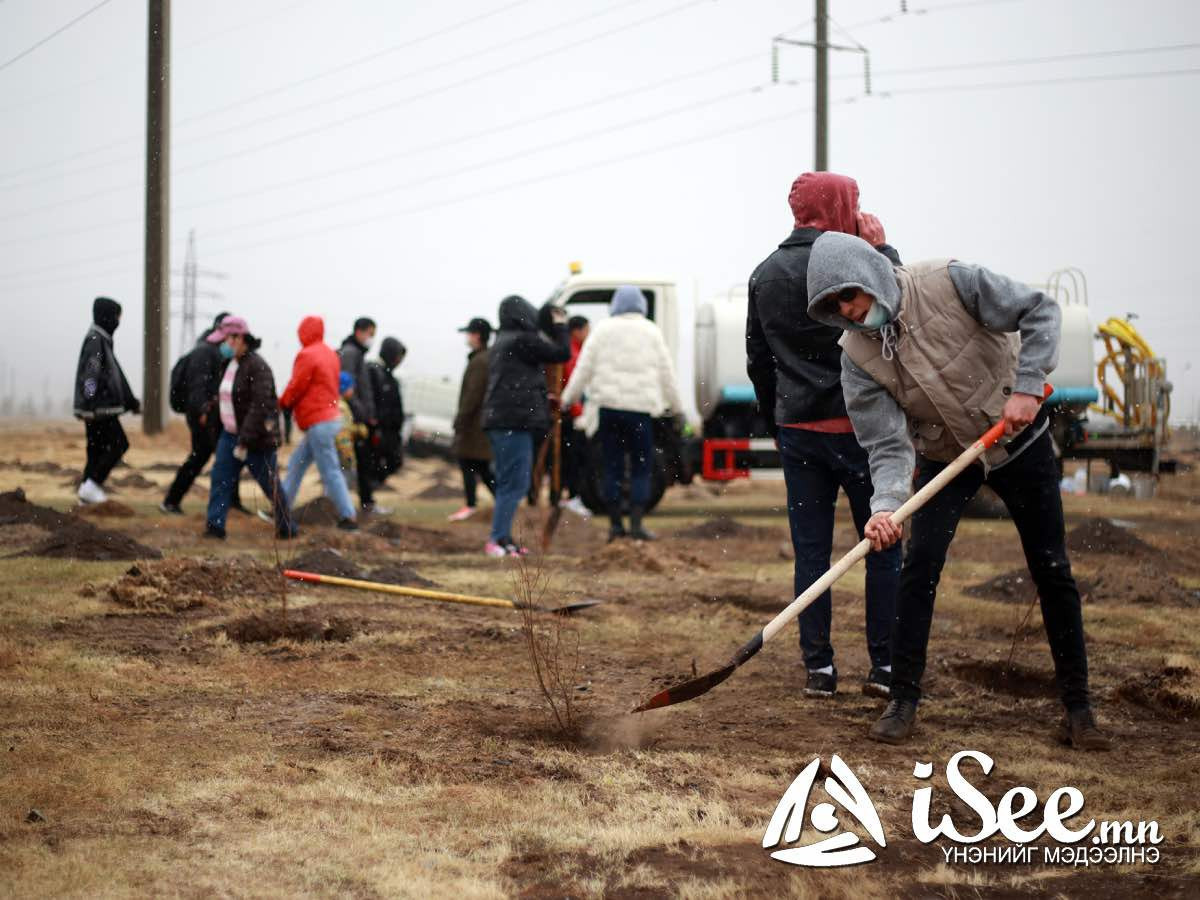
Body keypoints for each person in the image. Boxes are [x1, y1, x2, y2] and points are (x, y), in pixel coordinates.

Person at [805, 230, 1109, 751]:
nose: (849, 314)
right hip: (947, 456)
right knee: (917, 567)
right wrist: (886, 507)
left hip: (1020, 439)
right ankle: (903, 697)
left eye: (849, 299)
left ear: (869, 276)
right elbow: (885, 444)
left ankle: (1078, 707)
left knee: (1051, 568)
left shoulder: (950, 282)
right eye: (835, 309)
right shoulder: (857, 357)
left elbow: (1039, 312)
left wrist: (1029, 386)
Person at [745, 172, 903, 701]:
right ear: (841, 206)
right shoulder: (856, 263)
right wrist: (881, 247)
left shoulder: (765, 274)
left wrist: (778, 419)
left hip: (799, 429)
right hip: (863, 429)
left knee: (810, 552)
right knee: (882, 542)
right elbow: (901, 310)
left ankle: (820, 669)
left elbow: (758, 360)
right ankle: (884, 666)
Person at [561, 285, 681, 542]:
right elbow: (667, 374)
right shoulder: (651, 332)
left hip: (610, 410)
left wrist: (566, 399)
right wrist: (678, 409)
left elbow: (583, 369)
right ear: (641, 306)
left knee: (611, 467)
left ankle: (615, 526)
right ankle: (636, 524)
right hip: (640, 412)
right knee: (640, 468)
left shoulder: (602, 330)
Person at [481, 296, 570, 557]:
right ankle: (497, 540)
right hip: (513, 422)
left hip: (501, 420)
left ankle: (503, 538)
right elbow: (560, 354)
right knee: (515, 483)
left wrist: (543, 399)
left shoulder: (504, 341)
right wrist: (561, 325)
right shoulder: (521, 340)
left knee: (509, 482)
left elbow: (516, 382)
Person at [204, 319, 294, 540]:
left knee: (269, 484)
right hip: (229, 434)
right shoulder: (229, 364)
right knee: (220, 479)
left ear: (240, 339)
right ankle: (215, 527)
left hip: (256, 439)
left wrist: (245, 439)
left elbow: (261, 405)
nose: (223, 345)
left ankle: (287, 527)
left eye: (226, 340)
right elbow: (227, 397)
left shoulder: (258, 366)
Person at [279, 315, 358, 531]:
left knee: (330, 470)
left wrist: (282, 403)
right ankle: (281, 511)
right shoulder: (330, 354)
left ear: (303, 332)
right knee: (297, 463)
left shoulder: (307, 355)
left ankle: (347, 516)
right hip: (329, 418)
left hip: (318, 420)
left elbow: (297, 386)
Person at [162, 312, 246, 515]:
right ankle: (172, 501)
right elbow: (198, 386)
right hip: (202, 415)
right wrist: (203, 410)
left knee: (220, 456)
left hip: (212, 414)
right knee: (206, 456)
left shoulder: (218, 353)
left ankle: (229, 502)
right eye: (232, 336)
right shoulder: (204, 352)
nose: (235, 341)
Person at [73, 296, 140, 504]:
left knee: (96, 451)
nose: (118, 322)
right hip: (99, 409)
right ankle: (91, 486)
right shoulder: (96, 340)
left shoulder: (102, 340)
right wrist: (89, 405)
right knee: (119, 444)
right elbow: (90, 374)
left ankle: (85, 497)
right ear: (108, 317)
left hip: (99, 408)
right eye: (117, 317)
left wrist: (131, 402)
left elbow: (116, 376)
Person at [449, 318, 495, 522]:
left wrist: (461, 419)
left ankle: (471, 504)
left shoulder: (480, 361)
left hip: (474, 424)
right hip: (481, 423)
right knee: (482, 467)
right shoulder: (485, 358)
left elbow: (472, 395)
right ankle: (498, 501)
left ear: (477, 335)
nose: (467, 337)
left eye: (469, 333)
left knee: (469, 462)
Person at [339, 317, 379, 513]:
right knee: (349, 461)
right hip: (352, 418)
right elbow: (347, 388)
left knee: (361, 461)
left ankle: (362, 503)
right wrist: (362, 413)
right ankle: (344, 506)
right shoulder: (350, 353)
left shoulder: (357, 353)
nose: (371, 339)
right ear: (360, 331)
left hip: (358, 415)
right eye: (370, 334)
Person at [365, 337, 407, 509]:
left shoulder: (390, 377)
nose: (399, 361)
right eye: (397, 356)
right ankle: (367, 496)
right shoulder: (374, 371)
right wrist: (376, 423)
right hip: (379, 429)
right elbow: (373, 401)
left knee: (394, 461)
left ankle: (369, 492)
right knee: (373, 464)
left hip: (390, 431)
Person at [559, 315, 591, 518]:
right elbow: (573, 386)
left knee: (571, 458)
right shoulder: (572, 353)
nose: (589, 334)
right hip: (573, 416)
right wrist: (580, 413)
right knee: (575, 459)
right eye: (587, 329)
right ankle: (572, 497)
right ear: (576, 331)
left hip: (570, 413)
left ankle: (569, 496)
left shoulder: (573, 350)